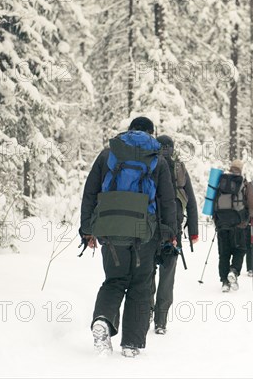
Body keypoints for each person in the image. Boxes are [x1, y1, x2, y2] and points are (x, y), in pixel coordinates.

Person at [79, 116, 177, 358]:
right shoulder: (158, 159)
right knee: (141, 285)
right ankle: (131, 345)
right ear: (151, 133)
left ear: (130, 130)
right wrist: (169, 235)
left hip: (111, 229)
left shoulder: (108, 154)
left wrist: (87, 230)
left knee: (114, 280)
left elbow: (90, 192)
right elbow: (167, 201)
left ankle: (102, 320)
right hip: (145, 233)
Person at [150, 135, 199, 335]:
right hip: (173, 232)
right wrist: (193, 231)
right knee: (167, 277)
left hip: (150, 229)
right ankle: (161, 321)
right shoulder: (178, 168)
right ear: (172, 148)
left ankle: (147, 312)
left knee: (147, 272)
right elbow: (192, 203)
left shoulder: (150, 163)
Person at [213, 159, 253, 292]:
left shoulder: (221, 181)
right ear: (240, 170)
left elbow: (213, 202)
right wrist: (248, 217)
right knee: (240, 250)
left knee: (223, 254)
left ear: (230, 169)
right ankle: (234, 271)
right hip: (239, 225)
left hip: (222, 224)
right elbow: (252, 205)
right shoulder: (244, 184)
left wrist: (217, 221)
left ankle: (224, 282)